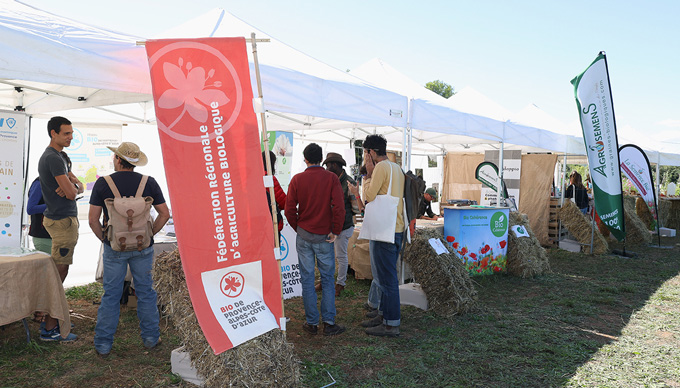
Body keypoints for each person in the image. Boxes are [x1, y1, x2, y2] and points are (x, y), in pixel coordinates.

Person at [88, 142, 170, 358]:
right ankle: (151, 339)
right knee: (146, 292)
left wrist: (105, 239)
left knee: (111, 295)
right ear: (134, 162)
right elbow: (164, 214)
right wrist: (151, 233)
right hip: (143, 246)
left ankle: (104, 344)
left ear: (117, 159)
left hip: (114, 246)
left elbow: (93, 220)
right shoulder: (148, 183)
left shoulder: (103, 184)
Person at [285, 143, 346, 336]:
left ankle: (311, 323)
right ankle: (328, 322)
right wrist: (335, 230)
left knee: (307, 279)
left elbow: (289, 209)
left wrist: (298, 227)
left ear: (305, 159)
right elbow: (339, 207)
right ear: (321, 159)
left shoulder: (297, 179)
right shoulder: (331, 178)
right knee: (328, 279)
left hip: (304, 235)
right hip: (324, 236)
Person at [37, 116, 84, 342]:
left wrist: (71, 185)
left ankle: (51, 317)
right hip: (61, 220)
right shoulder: (53, 159)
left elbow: (77, 185)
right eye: (66, 133)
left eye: (71, 133)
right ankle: (49, 326)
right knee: (59, 272)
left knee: (60, 270)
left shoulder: (61, 156)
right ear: (53, 133)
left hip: (63, 218)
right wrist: (72, 187)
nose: (71, 137)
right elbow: (74, 193)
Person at [360, 134, 405, 337]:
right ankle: (383, 315)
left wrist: (368, 175)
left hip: (385, 229)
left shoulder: (380, 168)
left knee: (387, 279)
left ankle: (391, 323)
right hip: (395, 227)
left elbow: (368, 197)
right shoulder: (396, 168)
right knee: (387, 277)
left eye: (364, 152)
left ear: (370, 152)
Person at [321, 152, 359, 297]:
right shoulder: (329, 179)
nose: (326, 168)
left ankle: (340, 284)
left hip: (344, 226)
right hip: (330, 225)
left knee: (341, 257)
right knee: (328, 256)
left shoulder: (349, 182)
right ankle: (327, 282)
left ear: (335, 165)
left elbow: (355, 208)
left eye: (328, 165)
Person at [262, 151, 286, 240]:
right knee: (273, 253)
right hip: (271, 225)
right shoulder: (270, 179)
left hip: (255, 226)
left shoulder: (252, 178)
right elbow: (284, 202)